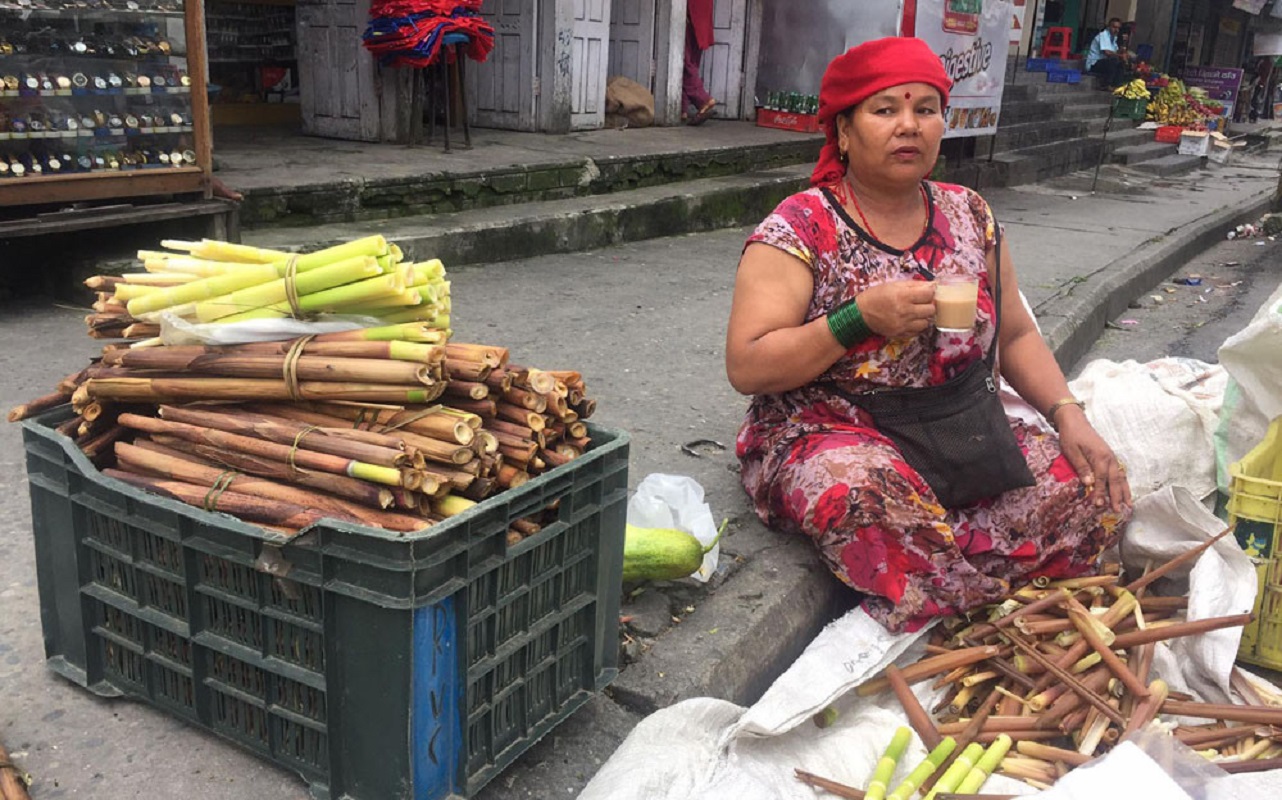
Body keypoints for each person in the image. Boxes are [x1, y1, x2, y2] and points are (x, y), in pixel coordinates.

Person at [724, 37, 1132, 633]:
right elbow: (748, 365)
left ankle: (944, 577)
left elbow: (1015, 335)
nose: (908, 126)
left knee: (1092, 495)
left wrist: (1068, 414)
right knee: (862, 501)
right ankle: (978, 586)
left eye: (925, 109)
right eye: (885, 110)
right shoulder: (799, 226)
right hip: (835, 428)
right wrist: (855, 318)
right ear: (842, 130)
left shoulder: (970, 213)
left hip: (957, 426)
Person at [683, 0, 718, 125]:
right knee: (692, 62)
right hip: (700, 20)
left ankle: (703, 99)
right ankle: (683, 109)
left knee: (684, 63)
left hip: (690, 17)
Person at [1085, 18, 1128, 89]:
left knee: (1120, 62)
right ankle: (1106, 84)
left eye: (1118, 28)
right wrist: (1120, 56)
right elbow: (1107, 52)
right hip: (1093, 64)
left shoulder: (1113, 38)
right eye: (1114, 27)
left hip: (1104, 63)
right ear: (1109, 27)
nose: (1116, 30)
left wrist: (1124, 44)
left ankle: (1117, 85)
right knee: (1114, 60)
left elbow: (1117, 52)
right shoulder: (1103, 35)